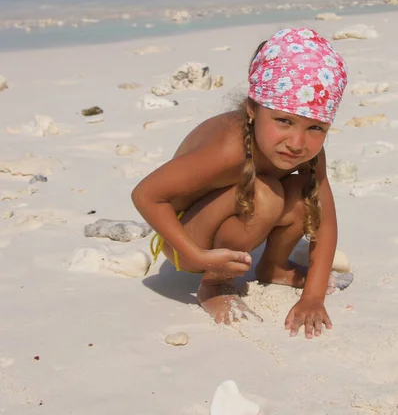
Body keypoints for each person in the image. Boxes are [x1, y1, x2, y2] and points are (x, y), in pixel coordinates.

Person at [131, 28, 348, 339]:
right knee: (266, 195)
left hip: (227, 223)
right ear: (252, 108)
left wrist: (313, 297)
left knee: (304, 193)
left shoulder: (308, 154)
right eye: (283, 121)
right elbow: (146, 194)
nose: (298, 142)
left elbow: (325, 220)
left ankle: (272, 267)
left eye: (315, 127)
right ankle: (214, 285)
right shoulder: (227, 150)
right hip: (186, 238)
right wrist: (195, 255)